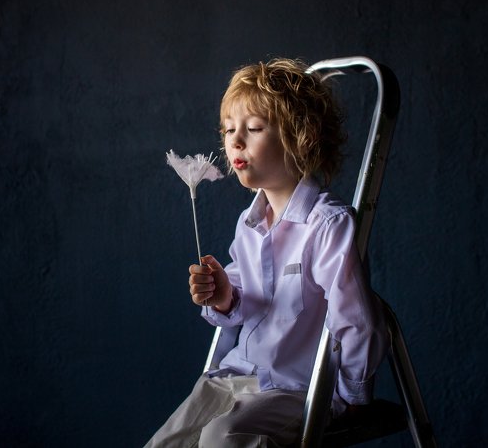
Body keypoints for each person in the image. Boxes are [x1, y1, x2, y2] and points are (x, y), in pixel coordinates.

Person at [145, 58, 389, 447]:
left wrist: (353, 394)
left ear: (301, 138)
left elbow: (356, 320)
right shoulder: (249, 223)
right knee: (168, 442)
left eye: (254, 128)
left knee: (223, 438)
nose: (235, 140)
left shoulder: (327, 225)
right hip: (236, 376)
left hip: (296, 387)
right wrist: (224, 296)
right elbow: (248, 297)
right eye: (229, 130)